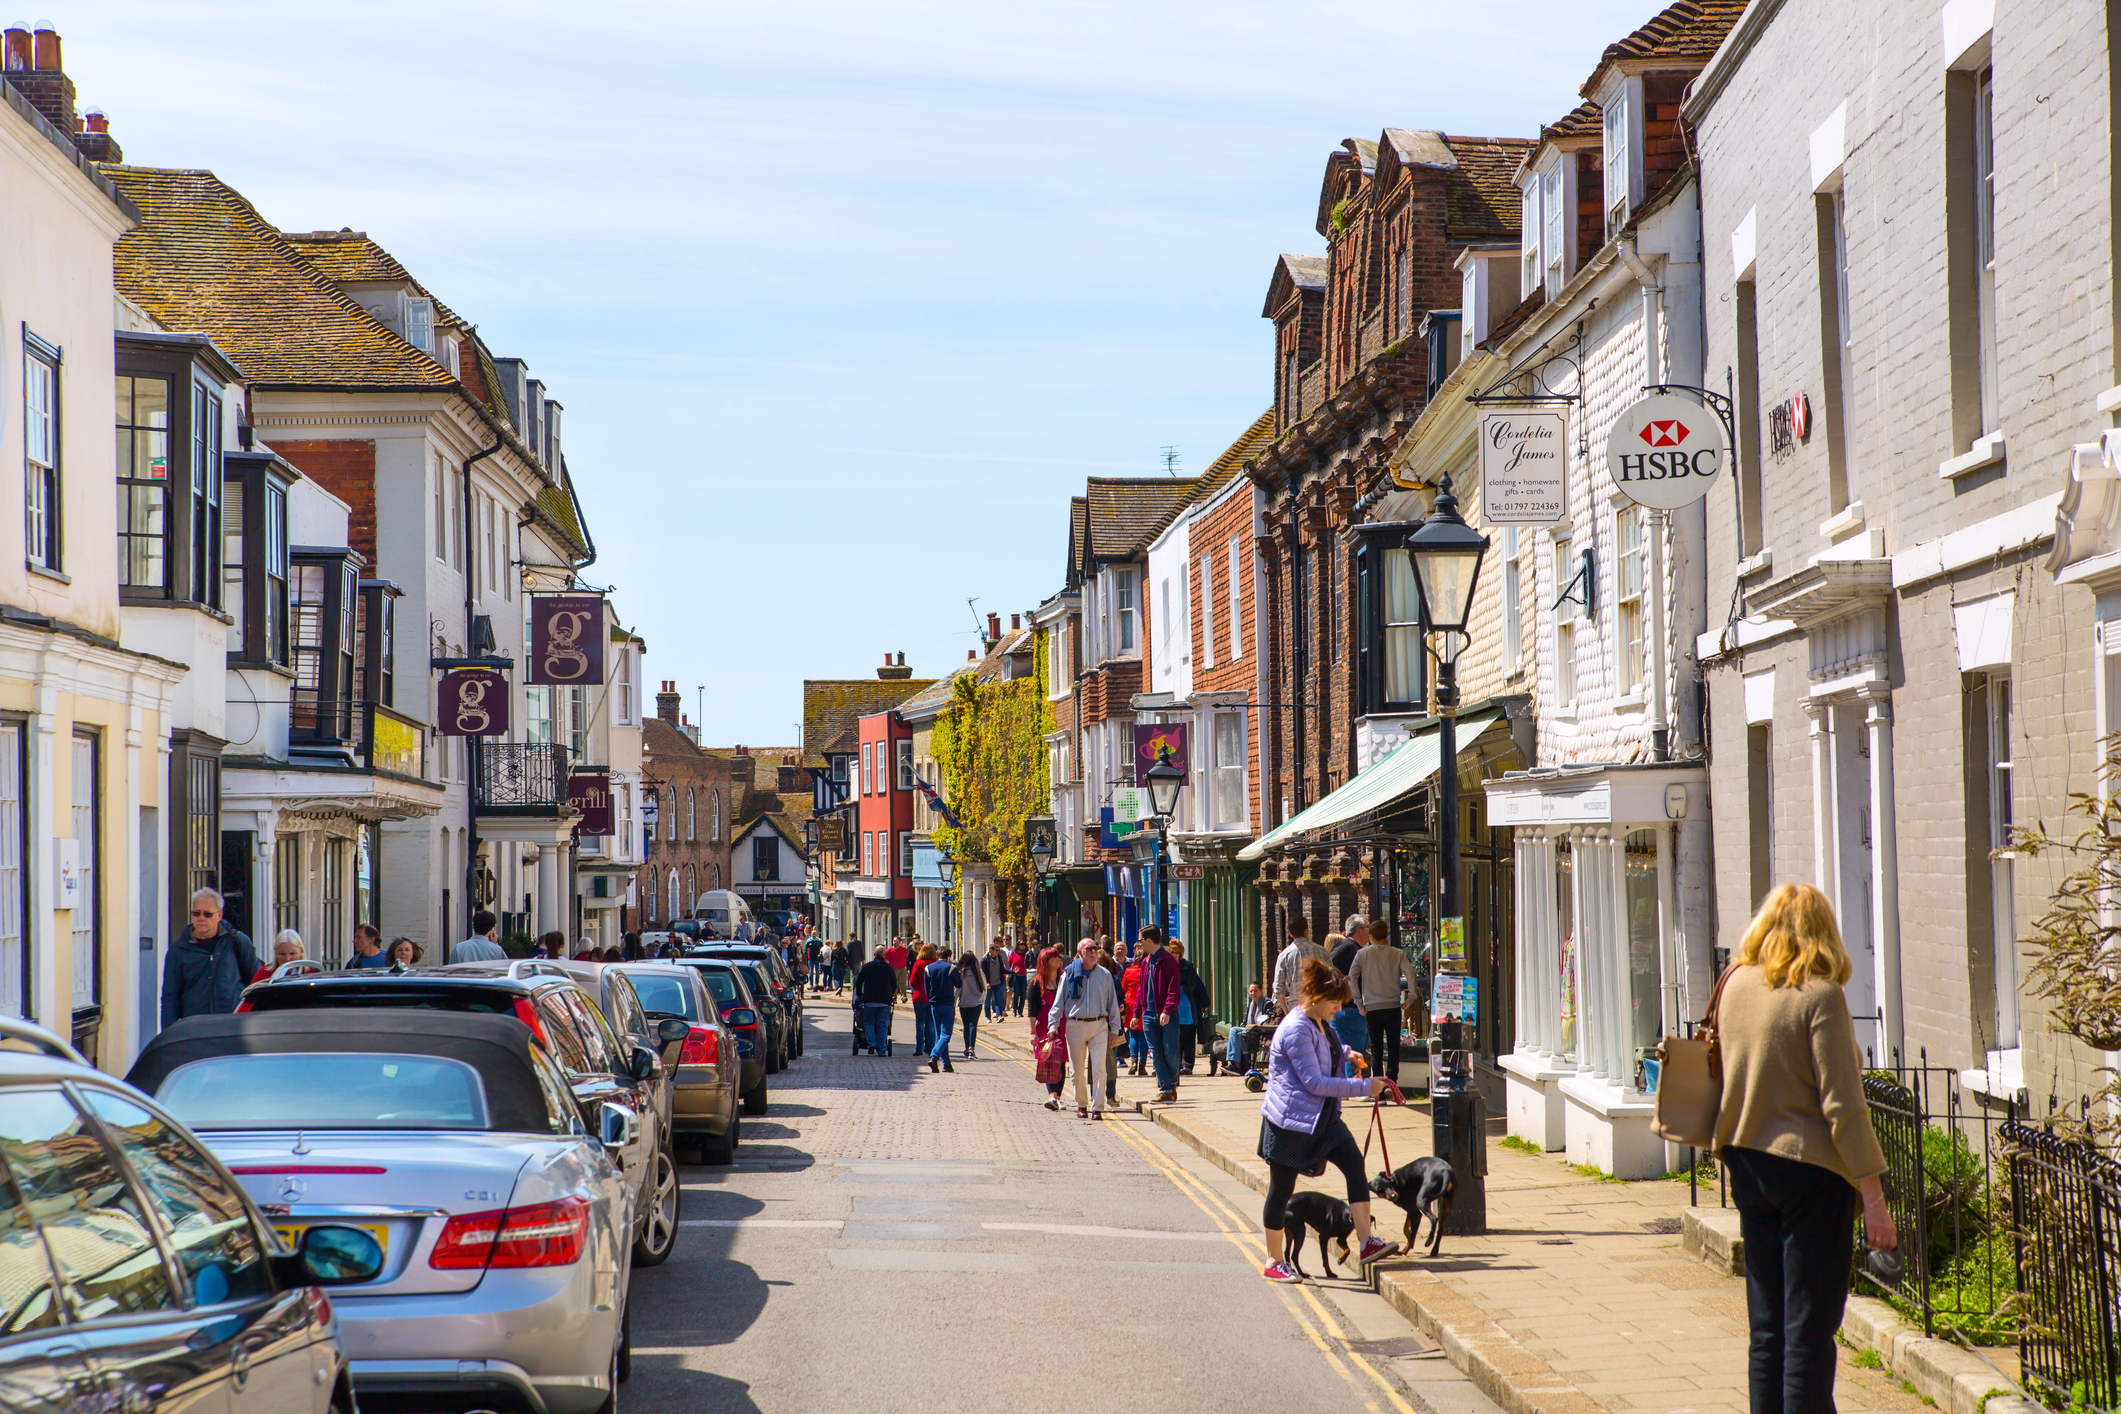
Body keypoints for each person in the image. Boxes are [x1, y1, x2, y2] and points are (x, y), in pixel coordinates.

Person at [1713, 882, 1896, 1412]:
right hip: (1810, 1173)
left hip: (1747, 1164)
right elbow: (1844, 1107)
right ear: (1824, 933)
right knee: (1810, 1331)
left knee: (1767, 1327)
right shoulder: (1821, 995)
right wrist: (1873, 1198)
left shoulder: (1736, 985)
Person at [1257, 957, 1400, 1283]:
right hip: (1291, 1122)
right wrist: (1366, 1086)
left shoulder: (1319, 1022)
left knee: (1353, 1162)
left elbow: (1327, 1048)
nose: (1339, 1008)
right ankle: (1273, 1260)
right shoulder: (1295, 1029)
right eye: (1335, 1002)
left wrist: (1347, 1052)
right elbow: (1314, 1082)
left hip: (1322, 1118)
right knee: (1281, 1191)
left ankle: (1365, 1242)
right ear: (1316, 997)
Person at [162, 888, 261, 1025]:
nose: (201, 918)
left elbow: (257, 983)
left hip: (232, 1027)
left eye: (207, 914)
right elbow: (170, 998)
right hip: (195, 1029)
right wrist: (169, 1036)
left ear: (219, 916)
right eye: (196, 913)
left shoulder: (238, 942)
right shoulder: (178, 950)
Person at [1047, 938, 1121, 1119]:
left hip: (1099, 1025)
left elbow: (1113, 1004)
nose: (1093, 952)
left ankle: (1098, 1108)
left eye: (1095, 948)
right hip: (1075, 1025)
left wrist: (1115, 1030)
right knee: (1077, 1069)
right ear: (1080, 952)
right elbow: (1057, 1005)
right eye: (1089, 949)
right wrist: (1053, 1025)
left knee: (1099, 1069)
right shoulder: (1068, 975)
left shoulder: (1105, 975)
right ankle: (1082, 1105)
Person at [1351, 923, 1418, 1083]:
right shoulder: (1397, 953)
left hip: (1371, 1008)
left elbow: (1352, 977)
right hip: (1393, 1006)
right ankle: (1392, 1083)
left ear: (1371, 937)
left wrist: (1359, 1003)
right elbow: (1411, 972)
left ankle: (1379, 1089)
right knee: (1394, 1047)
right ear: (1386, 936)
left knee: (1376, 1049)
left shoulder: (1362, 954)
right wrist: (1411, 997)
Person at [1136, 927, 1183, 1102]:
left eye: (1141, 940)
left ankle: (1171, 1084)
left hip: (1166, 1015)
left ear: (1149, 941)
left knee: (1170, 1052)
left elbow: (1173, 990)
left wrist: (1167, 1010)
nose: (1139, 943)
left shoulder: (1168, 961)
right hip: (1148, 1014)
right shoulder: (1145, 962)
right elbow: (1142, 990)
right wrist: (1136, 1013)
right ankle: (1165, 1090)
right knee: (1156, 1053)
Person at [1171, 940, 1214, 1075]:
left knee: (1188, 1036)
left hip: (1187, 1006)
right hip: (1172, 1005)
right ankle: (1176, 1064)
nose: (1175, 955)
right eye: (1172, 952)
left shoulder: (1187, 966)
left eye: (1177, 953)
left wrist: (1204, 1002)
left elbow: (1195, 985)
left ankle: (1187, 1065)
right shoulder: (1166, 966)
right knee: (1174, 1036)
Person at [1271, 914, 1325, 1013]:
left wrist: (1286, 1011)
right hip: (1318, 1005)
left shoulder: (1284, 955)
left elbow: (1278, 989)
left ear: (1290, 934)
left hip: (1296, 1008)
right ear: (1306, 930)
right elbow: (1331, 979)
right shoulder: (1322, 951)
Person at [921, 944, 959, 1073]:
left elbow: (927, 989)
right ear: (949, 957)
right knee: (946, 1034)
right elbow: (959, 984)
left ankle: (946, 1063)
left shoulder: (928, 968)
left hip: (934, 1004)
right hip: (947, 1004)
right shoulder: (951, 968)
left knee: (939, 1035)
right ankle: (934, 1055)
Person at [853, 947, 897, 1053]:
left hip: (869, 1000)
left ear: (874, 954)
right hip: (884, 1001)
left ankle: (871, 1043)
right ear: (884, 955)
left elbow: (858, 982)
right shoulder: (889, 968)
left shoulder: (867, 967)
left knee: (868, 1022)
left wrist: (860, 995)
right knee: (882, 1024)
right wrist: (890, 995)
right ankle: (881, 1049)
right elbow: (894, 984)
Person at [956, 950, 986, 1058]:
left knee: (966, 1026)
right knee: (973, 1024)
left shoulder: (960, 973)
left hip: (964, 1003)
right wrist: (982, 999)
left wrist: (953, 1002)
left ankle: (966, 1048)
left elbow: (957, 989)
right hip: (976, 1003)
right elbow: (984, 987)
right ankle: (971, 1049)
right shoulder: (978, 972)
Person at [1121, 948, 1146, 1076]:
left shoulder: (1129, 971)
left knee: (1133, 1034)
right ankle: (1142, 1065)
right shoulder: (1148, 972)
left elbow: (1123, 988)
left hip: (1131, 1006)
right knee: (1144, 1037)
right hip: (1145, 1006)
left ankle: (1133, 1062)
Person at [910, 942, 935, 1055]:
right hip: (932, 997)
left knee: (919, 1022)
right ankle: (930, 1048)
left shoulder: (918, 964)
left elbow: (912, 981)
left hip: (919, 996)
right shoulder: (935, 963)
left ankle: (919, 1048)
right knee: (931, 1023)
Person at [982, 940, 1007, 1022]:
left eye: (998, 950)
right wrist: (986, 983)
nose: (997, 952)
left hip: (997, 983)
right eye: (996, 950)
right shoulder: (985, 960)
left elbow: (1002, 970)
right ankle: (988, 1017)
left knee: (998, 1000)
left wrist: (1013, 971)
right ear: (991, 950)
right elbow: (982, 973)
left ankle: (999, 1016)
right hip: (989, 984)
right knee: (987, 1001)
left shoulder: (999, 958)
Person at [1006, 941, 1027, 1016]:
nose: (1023, 945)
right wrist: (1007, 974)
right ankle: (1014, 1009)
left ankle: (1020, 1011)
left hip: (1024, 976)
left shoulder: (1026, 954)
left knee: (1023, 994)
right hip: (1015, 976)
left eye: (1024, 944)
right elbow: (1008, 964)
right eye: (1021, 944)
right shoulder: (1014, 953)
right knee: (1016, 992)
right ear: (1018, 945)